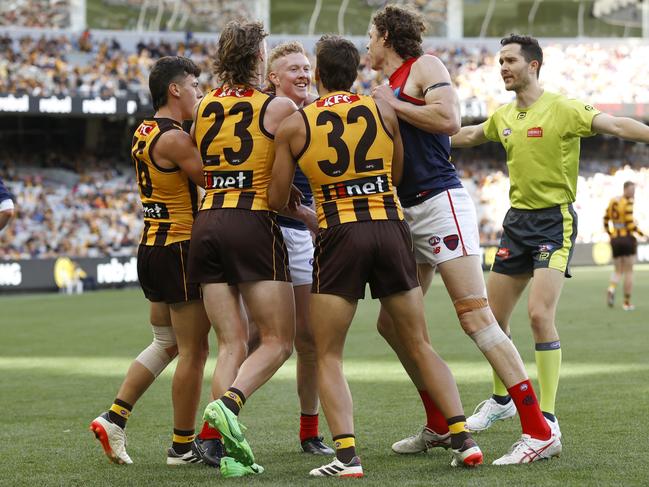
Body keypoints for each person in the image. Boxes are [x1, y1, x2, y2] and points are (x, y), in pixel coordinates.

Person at [268, 34, 483, 478]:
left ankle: (346, 457)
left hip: (338, 233)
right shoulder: (383, 108)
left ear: (320, 75)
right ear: (358, 71)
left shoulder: (296, 124)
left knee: (327, 353)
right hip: (389, 228)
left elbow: (275, 197)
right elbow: (398, 171)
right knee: (419, 342)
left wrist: (307, 202)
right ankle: (463, 439)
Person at [367, 5, 556, 464]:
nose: (366, 44)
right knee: (392, 323)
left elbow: (448, 121)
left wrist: (394, 105)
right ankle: (439, 421)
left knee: (474, 315)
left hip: (439, 203)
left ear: (388, 35)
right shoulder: (380, 87)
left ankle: (539, 429)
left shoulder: (424, 67)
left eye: (370, 35)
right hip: (404, 210)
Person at [452, 34, 649, 464]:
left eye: (510, 60)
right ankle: (502, 400)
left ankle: (548, 416)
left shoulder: (563, 107)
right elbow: (466, 135)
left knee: (540, 316)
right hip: (515, 222)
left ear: (534, 65)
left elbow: (615, 126)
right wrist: (415, 136)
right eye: (499, 61)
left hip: (553, 221)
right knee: (492, 318)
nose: (502, 67)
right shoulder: (503, 115)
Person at [188, 20, 306, 478]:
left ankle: (213, 442)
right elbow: (280, 188)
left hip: (208, 221)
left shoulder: (201, 106)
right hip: (251, 221)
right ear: (260, 59)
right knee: (278, 341)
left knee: (231, 342)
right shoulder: (275, 109)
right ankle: (227, 408)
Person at [90, 56, 213, 466]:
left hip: (152, 246)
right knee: (195, 350)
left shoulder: (144, 130)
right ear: (174, 89)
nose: (200, 92)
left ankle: (115, 418)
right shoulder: (177, 139)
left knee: (167, 342)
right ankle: (182, 446)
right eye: (195, 85)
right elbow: (212, 182)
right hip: (179, 247)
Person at [265, 41, 333, 456]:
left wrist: (313, 217)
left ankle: (310, 431)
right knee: (255, 337)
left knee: (308, 339)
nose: (304, 74)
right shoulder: (264, 114)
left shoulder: (315, 116)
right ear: (273, 78)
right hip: (266, 231)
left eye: (306, 68)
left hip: (300, 235)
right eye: (293, 69)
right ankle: (215, 431)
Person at [604, 181, 644, 310]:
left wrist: (610, 234)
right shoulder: (628, 202)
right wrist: (643, 234)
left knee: (618, 270)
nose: (633, 193)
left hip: (615, 240)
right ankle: (626, 303)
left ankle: (611, 288)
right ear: (625, 189)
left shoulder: (612, 201)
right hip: (627, 240)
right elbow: (630, 224)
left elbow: (605, 219)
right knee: (629, 272)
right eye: (632, 190)